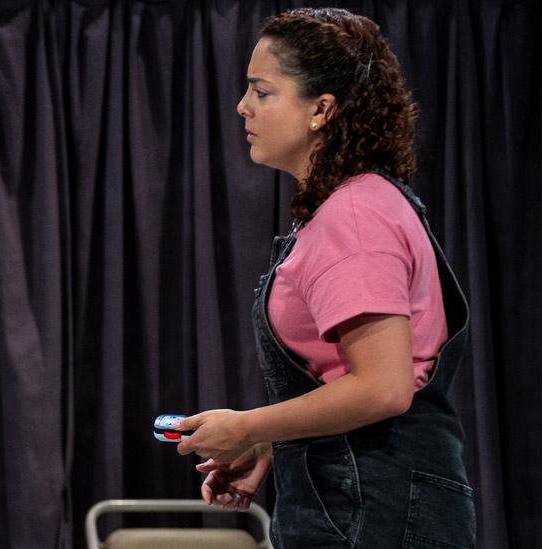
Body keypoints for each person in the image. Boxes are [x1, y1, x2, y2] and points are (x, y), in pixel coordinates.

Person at [172, 8, 475, 548]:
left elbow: (383, 389)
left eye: (261, 92)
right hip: (363, 495)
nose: (243, 107)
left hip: (372, 505)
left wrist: (248, 427)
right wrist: (270, 445)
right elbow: (348, 381)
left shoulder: (354, 215)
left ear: (321, 110)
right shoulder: (352, 206)